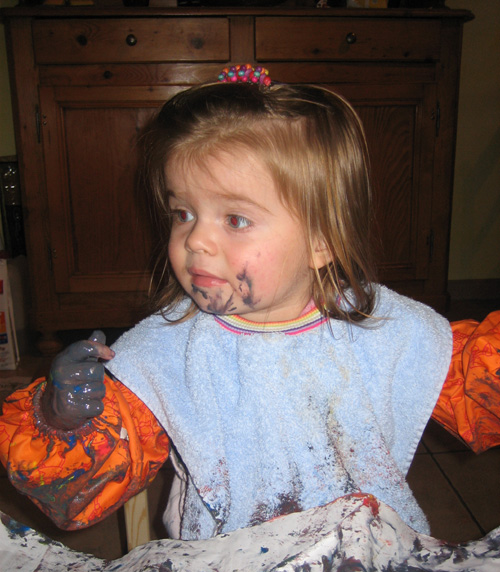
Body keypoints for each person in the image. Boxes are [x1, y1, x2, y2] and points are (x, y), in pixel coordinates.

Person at [0, 66, 499, 540]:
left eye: (235, 219)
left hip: (367, 555)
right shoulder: (167, 352)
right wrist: (59, 419)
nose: (196, 240)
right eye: (183, 213)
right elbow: (80, 489)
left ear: (322, 241)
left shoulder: (380, 327)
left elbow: (479, 387)